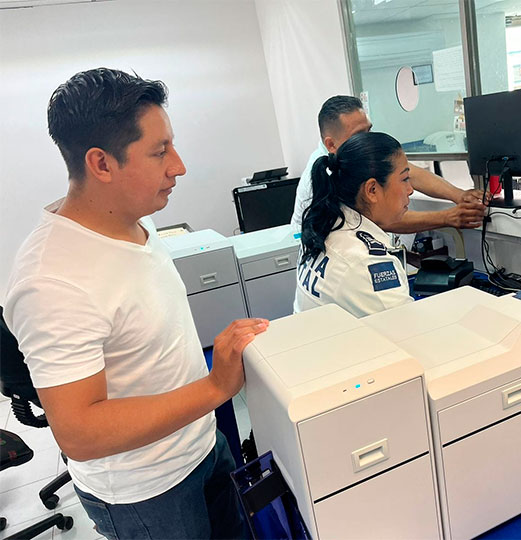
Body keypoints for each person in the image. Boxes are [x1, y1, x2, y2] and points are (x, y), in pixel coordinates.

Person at [4, 68, 266, 540]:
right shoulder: (51, 280)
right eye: (159, 151)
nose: (178, 166)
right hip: (146, 492)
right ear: (102, 164)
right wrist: (215, 387)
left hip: (201, 444)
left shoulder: (135, 220)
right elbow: (80, 432)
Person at [290, 95, 488, 234]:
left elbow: (407, 172)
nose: (368, 139)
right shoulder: (325, 175)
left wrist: (459, 195)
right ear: (331, 144)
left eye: (369, 130)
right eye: (358, 135)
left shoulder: (356, 155)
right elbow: (383, 218)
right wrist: (447, 217)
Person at [294, 131, 415, 318]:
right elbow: (407, 325)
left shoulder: (323, 225)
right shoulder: (365, 261)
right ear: (372, 190)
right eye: (405, 179)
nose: (410, 190)